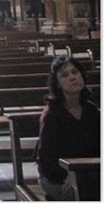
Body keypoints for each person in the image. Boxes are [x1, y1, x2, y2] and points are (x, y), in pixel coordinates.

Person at [36, 55, 100, 201]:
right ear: (57, 84)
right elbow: (46, 161)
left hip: (89, 173)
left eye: (75, 72)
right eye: (64, 75)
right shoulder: (51, 115)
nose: (72, 77)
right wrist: (71, 176)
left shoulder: (91, 110)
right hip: (58, 177)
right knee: (82, 194)